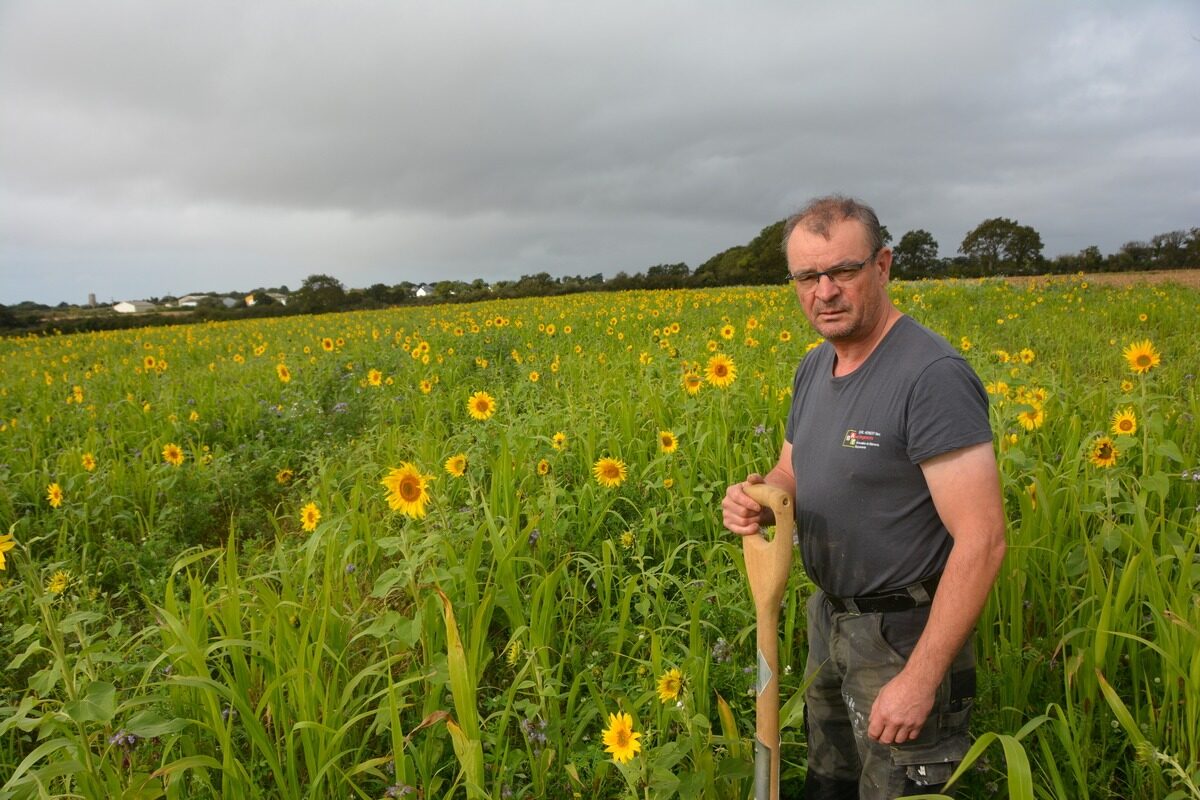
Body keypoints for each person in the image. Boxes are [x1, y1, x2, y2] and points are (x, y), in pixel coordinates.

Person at [722, 195, 1006, 799]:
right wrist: (757, 497)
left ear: (882, 266)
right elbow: (791, 471)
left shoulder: (930, 377)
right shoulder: (814, 368)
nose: (824, 291)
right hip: (831, 622)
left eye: (842, 271)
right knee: (831, 784)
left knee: (901, 788)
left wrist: (921, 678)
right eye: (806, 276)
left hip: (904, 636)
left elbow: (982, 541)